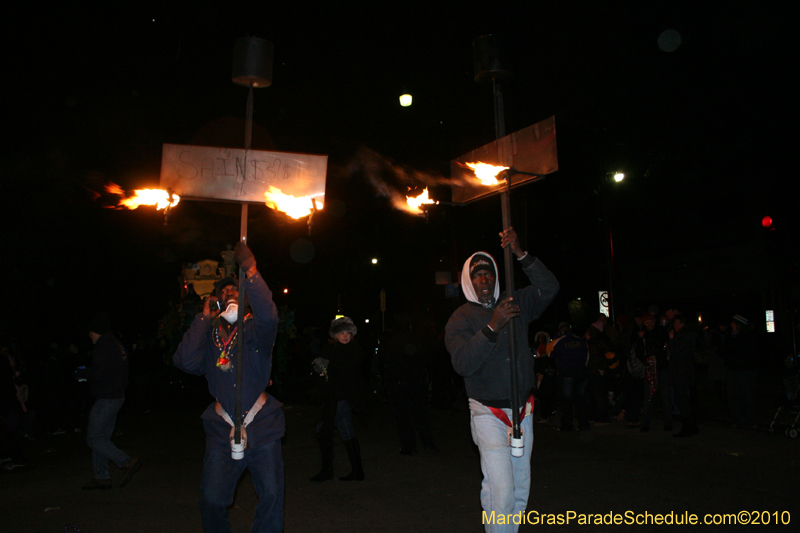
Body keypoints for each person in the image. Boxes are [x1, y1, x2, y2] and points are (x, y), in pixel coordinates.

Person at [445, 227, 558, 533]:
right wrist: (493, 326)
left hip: (523, 412)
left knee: (519, 490)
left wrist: (521, 254)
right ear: (469, 281)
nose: (485, 280)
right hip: (488, 414)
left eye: (489, 273)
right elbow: (463, 363)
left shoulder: (515, 302)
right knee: (500, 491)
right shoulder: (461, 318)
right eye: (477, 275)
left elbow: (549, 287)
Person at [173, 242, 284, 532]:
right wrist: (203, 318)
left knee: (271, 497)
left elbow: (269, 315)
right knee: (211, 500)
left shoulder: (258, 330)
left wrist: (251, 271)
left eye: (234, 289)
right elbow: (185, 362)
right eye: (223, 292)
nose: (229, 293)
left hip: (262, 426)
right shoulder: (210, 336)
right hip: (222, 430)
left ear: (245, 298)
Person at [80, 312, 140, 489]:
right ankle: (101, 476)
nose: (89, 335)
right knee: (102, 438)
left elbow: (100, 373)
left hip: (106, 397)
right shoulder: (115, 344)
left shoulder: (104, 346)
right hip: (116, 396)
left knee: (93, 439)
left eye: (90, 331)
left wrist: (84, 374)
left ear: (95, 331)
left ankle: (126, 461)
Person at [309, 316, 367, 481]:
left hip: (343, 397)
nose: (345, 336)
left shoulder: (354, 350)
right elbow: (322, 371)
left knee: (323, 430)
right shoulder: (330, 349)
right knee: (346, 431)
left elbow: (346, 372)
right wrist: (319, 368)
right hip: (334, 395)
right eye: (341, 333)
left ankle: (327, 471)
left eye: (347, 332)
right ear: (335, 334)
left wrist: (327, 366)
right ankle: (357, 471)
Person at [548, 322, 590, 432]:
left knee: (566, 401)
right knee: (580, 400)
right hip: (581, 373)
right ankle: (584, 425)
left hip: (566, 373)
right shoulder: (580, 341)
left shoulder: (559, 342)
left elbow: (551, 355)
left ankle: (567, 426)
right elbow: (587, 356)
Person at [668, 314, 698, 437]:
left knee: (682, 400)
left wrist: (671, 340)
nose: (675, 326)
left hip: (682, 373)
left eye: (677, 323)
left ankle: (687, 428)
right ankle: (692, 427)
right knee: (683, 400)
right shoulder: (687, 335)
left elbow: (677, 351)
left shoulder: (685, 336)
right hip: (682, 372)